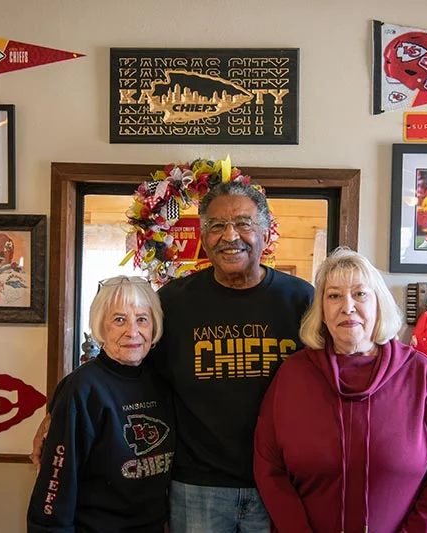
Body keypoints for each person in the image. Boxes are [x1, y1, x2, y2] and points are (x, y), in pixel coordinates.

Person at [32, 179, 314, 533]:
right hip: (196, 488)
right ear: (202, 234)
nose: (230, 236)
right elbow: (123, 365)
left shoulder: (302, 300)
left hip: (277, 484)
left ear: (265, 231)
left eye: (243, 223)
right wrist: (56, 412)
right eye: (215, 225)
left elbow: (329, 376)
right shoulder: (174, 302)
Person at [253, 247, 427, 533]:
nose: (347, 306)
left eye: (360, 294)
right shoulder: (293, 375)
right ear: (322, 311)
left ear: (379, 304)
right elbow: (268, 466)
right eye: (334, 295)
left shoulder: (418, 373)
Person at [27, 275, 174, 533]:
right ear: (100, 328)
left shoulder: (162, 381)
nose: (133, 332)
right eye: (119, 320)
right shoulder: (82, 388)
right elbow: (56, 482)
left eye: (142, 319)